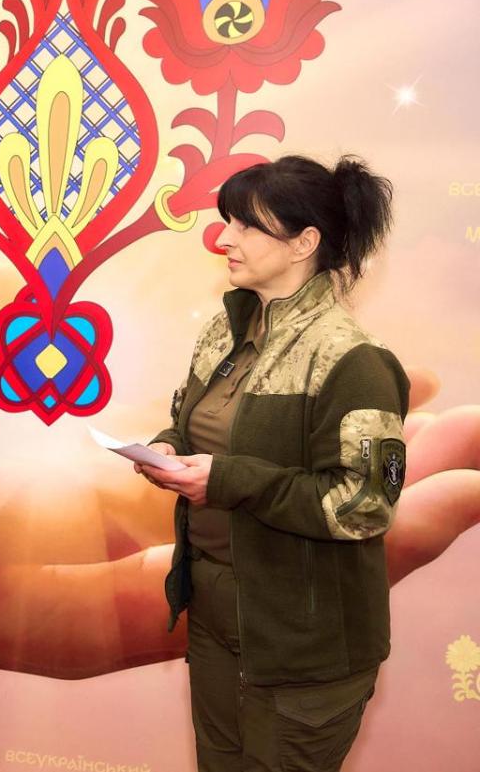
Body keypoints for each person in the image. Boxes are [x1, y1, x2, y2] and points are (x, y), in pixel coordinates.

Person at [134, 155, 407, 772]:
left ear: (304, 243)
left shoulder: (353, 360)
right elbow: (193, 422)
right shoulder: (225, 330)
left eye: (246, 226)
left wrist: (227, 481)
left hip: (303, 645)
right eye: (227, 222)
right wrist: (167, 447)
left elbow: (365, 507)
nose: (223, 239)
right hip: (215, 619)